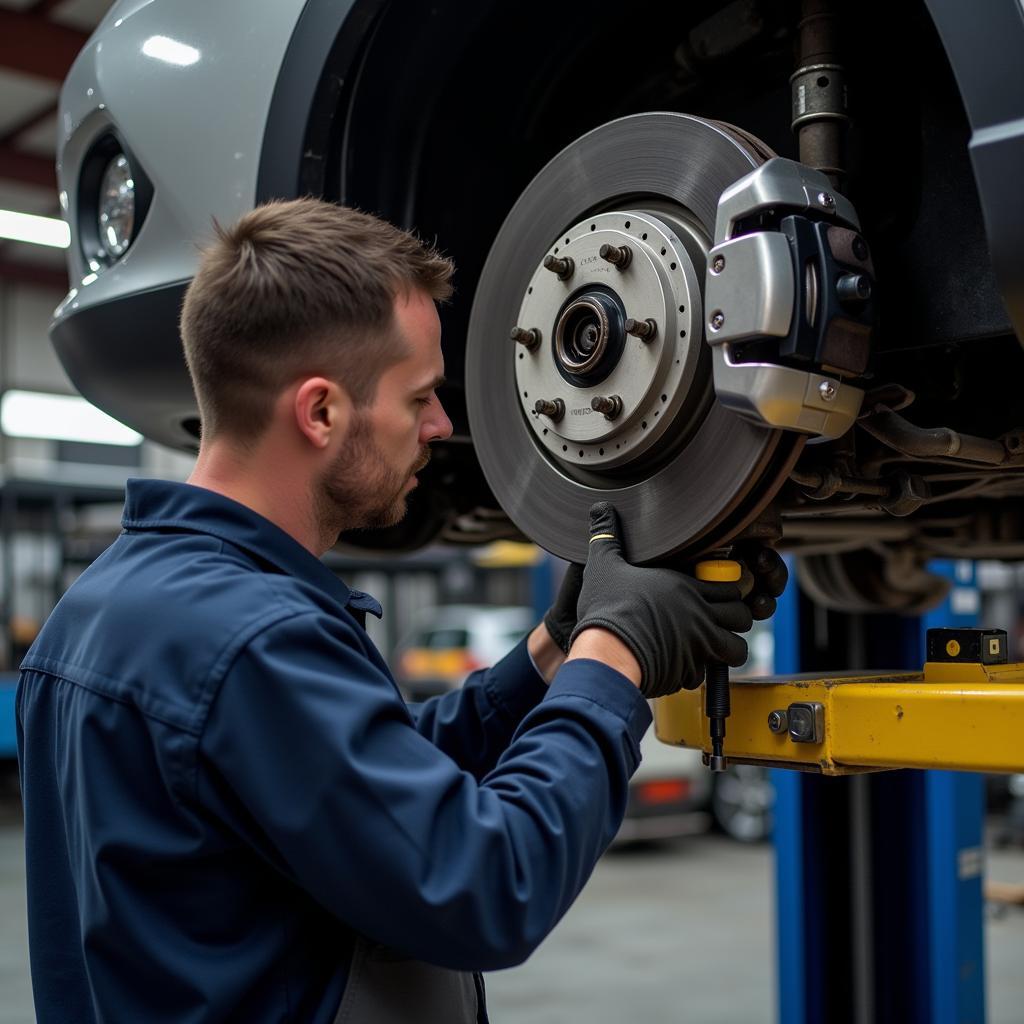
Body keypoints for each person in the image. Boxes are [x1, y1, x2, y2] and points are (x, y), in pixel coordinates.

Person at [17, 198, 784, 1023]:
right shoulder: (252, 642)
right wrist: (614, 653)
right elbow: (489, 885)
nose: (440, 424)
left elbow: (352, 794)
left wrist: (553, 653)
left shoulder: (100, 609)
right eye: (418, 396)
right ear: (320, 412)